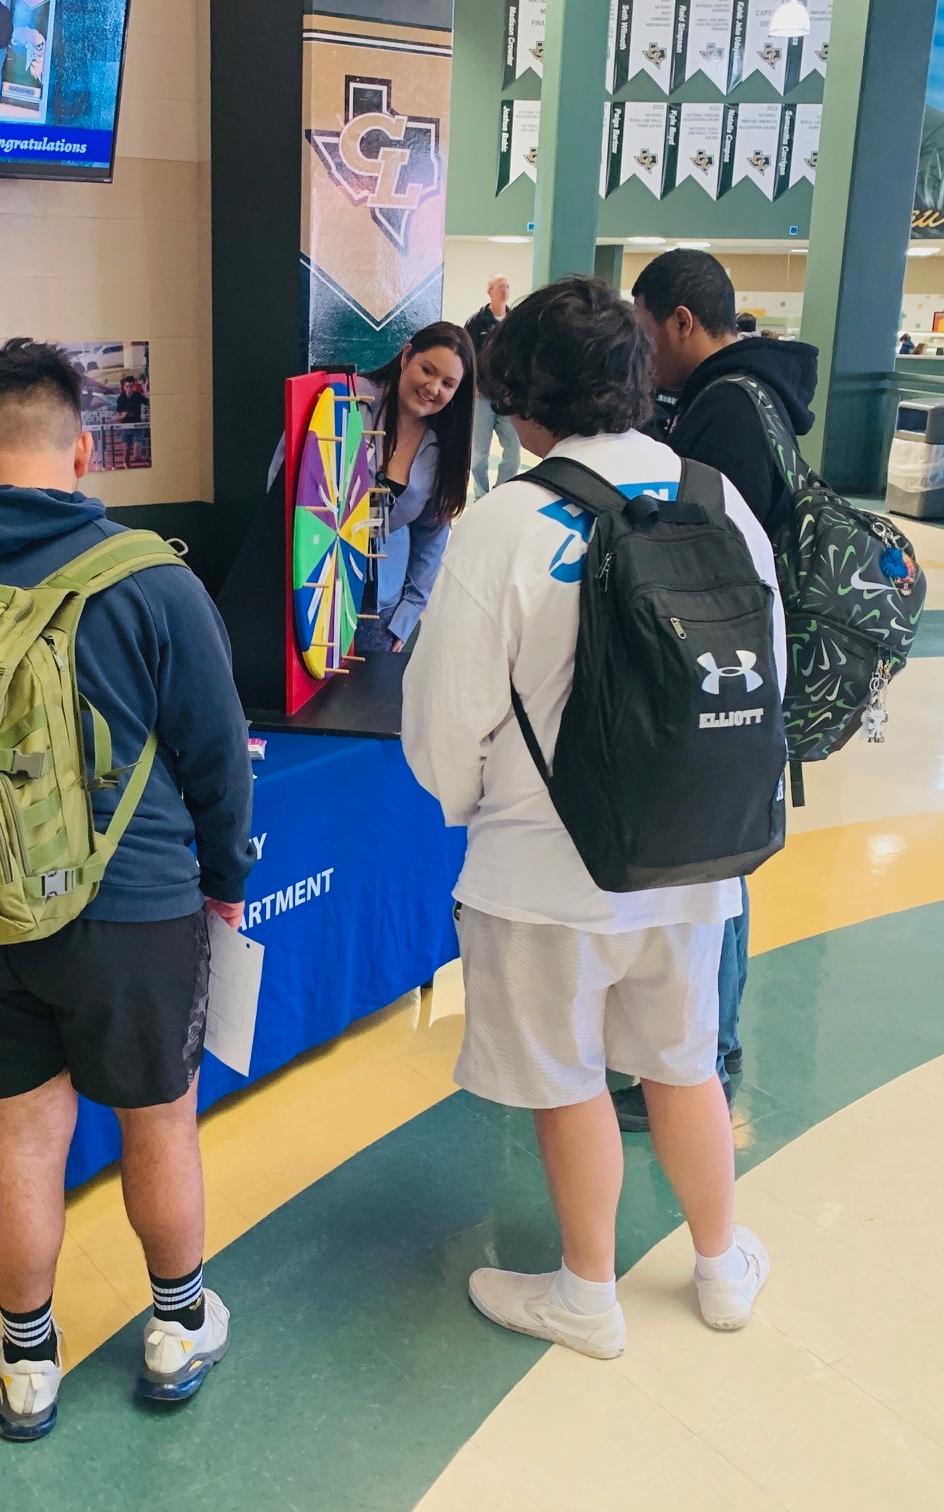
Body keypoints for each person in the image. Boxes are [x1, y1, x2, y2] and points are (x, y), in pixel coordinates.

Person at [0, 338, 254, 1441]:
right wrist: (221, 879)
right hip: (131, 907)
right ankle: (175, 1326)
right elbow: (218, 758)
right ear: (84, 450)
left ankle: (27, 1360)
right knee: (157, 1122)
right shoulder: (151, 578)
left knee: (19, 1138)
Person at [403, 276, 779, 1361]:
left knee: (567, 1083)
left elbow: (442, 722)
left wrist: (476, 809)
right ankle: (718, 1267)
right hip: (695, 861)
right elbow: (759, 680)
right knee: (683, 1063)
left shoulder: (509, 523)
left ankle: (583, 1293)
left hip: (541, 871)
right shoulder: (716, 498)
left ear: (519, 400)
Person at [624, 250, 821, 1132]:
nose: (643, 353)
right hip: (741, 670)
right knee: (720, 866)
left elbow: (706, 560)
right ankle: (700, 1052)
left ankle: (710, 1055)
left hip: (726, 673)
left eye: (644, 331)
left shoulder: (729, 411)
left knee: (720, 875)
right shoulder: (754, 395)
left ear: (680, 322)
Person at [358, 322, 474, 652]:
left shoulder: (442, 452)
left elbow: (432, 536)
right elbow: (288, 478)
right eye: (427, 370)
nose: (433, 387)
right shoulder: (348, 400)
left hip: (379, 608)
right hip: (314, 584)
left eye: (448, 384)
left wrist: (409, 612)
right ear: (407, 355)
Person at [463, 275, 521, 496]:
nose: (504, 290)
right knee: (478, 454)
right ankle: (481, 495)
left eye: (507, 286)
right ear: (490, 291)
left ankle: (502, 492)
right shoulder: (476, 323)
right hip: (482, 397)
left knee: (513, 452)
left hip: (508, 397)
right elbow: (467, 357)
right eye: (500, 287)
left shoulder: (515, 322)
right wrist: (472, 386)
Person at [114, 372, 147, 466]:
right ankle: (127, 468)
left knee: (137, 456)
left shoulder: (137, 396)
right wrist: (122, 415)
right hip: (125, 428)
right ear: (124, 387)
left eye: (131, 386)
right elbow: (117, 417)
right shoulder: (121, 398)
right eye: (127, 386)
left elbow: (149, 404)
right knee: (126, 457)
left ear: (134, 386)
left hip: (137, 427)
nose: (129, 389)